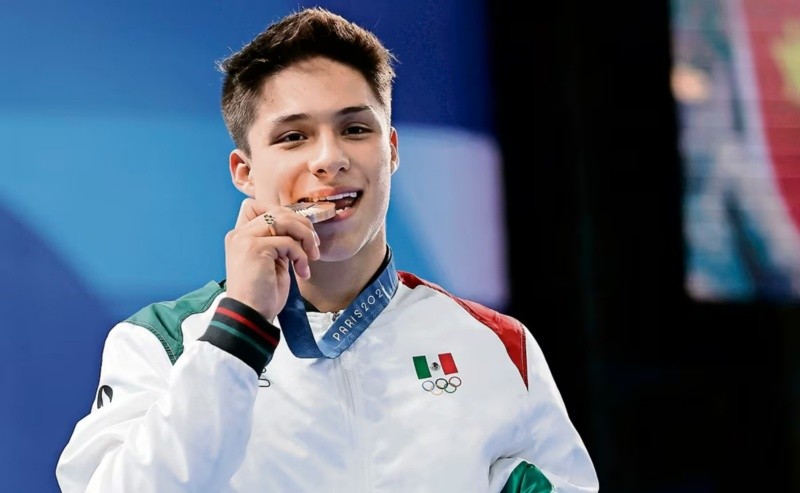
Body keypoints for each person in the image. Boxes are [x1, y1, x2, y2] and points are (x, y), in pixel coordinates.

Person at [55, 7, 599, 492]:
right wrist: (238, 329)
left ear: (390, 150)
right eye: (293, 137)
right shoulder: (162, 344)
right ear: (245, 171)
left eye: (355, 128)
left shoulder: (499, 346)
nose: (329, 158)